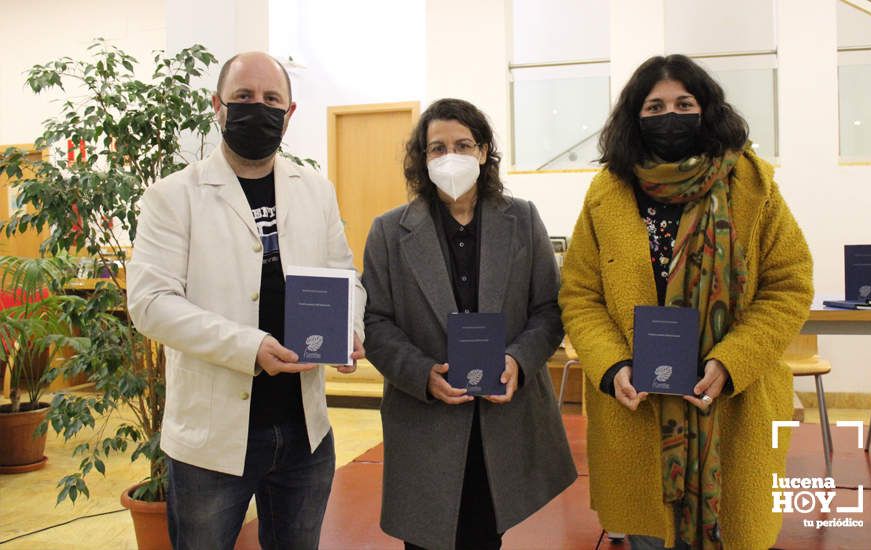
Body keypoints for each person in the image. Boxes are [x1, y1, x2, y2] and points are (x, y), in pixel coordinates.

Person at [559, 55, 814, 549]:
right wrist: (612, 367)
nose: (669, 115)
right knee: (650, 538)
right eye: (654, 106)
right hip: (639, 415)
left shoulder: (752, 185)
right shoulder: (607, 192)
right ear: (634, 116)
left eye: (683, 103)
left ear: (707, 109)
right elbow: (580, 294)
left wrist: (731, 360)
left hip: (731, 409)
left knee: (736, 533)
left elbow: (790, 283)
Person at [127, 51, 366, 550]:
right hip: (211, 442)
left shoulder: (315, 192)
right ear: (217, 106)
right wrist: (248, 346)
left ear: (289, 112)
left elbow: (344, 274)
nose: (257, 109)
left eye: (270, 99)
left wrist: (350, 326)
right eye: (242, 98)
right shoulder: (172, 197)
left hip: (305, 433)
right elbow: (151, 302)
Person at [362, 98, 577, 550]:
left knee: (485, 537)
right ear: (422, 158)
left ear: (483, 152)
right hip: (426, 420)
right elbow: (375, 322)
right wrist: (421, 374)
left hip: (501, 418)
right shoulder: (388, 232)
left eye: (463, 144)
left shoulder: (522, 220)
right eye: (437, 148)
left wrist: (519, 360)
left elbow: (550, 309)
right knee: (424, 539)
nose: (450, 156)